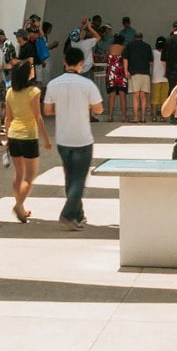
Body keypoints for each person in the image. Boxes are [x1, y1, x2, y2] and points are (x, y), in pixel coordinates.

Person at [43, 46, 103, 230]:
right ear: (81, 64)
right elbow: (99, 109)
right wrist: (87, 107)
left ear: (64, 62)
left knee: (70, 177)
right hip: (82, 137)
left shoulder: (54, 84)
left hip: (63, 137)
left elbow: (47, 111)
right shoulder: (87, 85)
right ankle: (68, 214)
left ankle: (79, 214)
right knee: (79, 179)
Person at [5, 61, 51, 222]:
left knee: (19, 175)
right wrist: (46, 139)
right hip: (29, 136)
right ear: (26, 74)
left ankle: (21, 207)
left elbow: (7, 118)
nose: (33, 70)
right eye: (30, 69)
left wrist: (6, 139)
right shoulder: (34, 91)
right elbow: (38, 117)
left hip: (13, 135)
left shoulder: (10, 92)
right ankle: (19, 205)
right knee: (30, 177)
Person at [123, 31, 152, 123]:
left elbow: (125, 59)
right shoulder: (147, 46)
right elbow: (151, 62)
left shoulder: (129, 45)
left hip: (134, 73)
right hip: (145, 73)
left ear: (134, 37)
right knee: (143, 96)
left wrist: (126, 70)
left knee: (135, 96)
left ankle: (135, 117)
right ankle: (143, 117)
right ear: (142, 37)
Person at [105, 34, 129, 121]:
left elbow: (105, 57)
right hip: (121, 73)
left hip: (111, 73)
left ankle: (110, 116)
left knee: (112, 94)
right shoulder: (124, 48)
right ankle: (123, 116)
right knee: (122, 95)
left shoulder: (110, 47)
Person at [151, 36, 169, 120]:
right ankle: (163, 116)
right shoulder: (168, 53)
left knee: (155, 98)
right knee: (164, 98)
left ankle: (154, 116)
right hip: (165, 78)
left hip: (155, 78)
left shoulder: (153, 52)